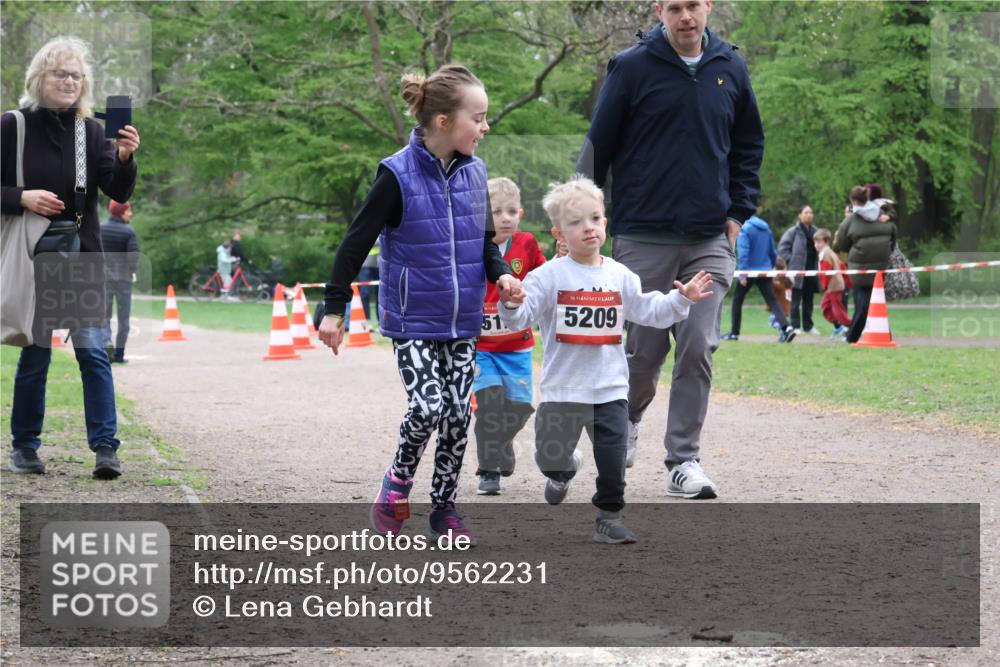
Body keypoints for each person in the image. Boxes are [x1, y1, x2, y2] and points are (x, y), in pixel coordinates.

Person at [317, 64, 520, 544]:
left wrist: (504, 275)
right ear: (445, 122)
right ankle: (397, 483)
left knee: (456, 415)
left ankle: (445, 511)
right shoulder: (396, 174)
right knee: (428, 406)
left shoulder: (476, 173)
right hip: (412, 319)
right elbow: (354, 243)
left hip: (463, 320)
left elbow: (485, 243)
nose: (486, 127)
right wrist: (334, 307)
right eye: (479, 117)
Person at [576, 0, 764, 497]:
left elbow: (748, 146)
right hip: (643, 235)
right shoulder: (631, 67)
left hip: (708, 238)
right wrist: (579, 220)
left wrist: (737, 212)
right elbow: (598, 146)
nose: (686, 17)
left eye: (694, 5)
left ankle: (684, 460)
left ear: (709, 8)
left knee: (699, 346)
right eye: (675, 7)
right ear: (659, 9)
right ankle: (629, 419)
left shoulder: (731, 66)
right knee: (643, 353)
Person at [500, 177, 715, 543]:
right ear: (559, 234)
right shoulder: (547, 277)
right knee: (548, 459)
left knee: (614, 464)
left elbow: (650, 310)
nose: (588, 228)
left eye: (595, 219)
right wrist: (512, 303)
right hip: (562, 391)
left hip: (610, 390)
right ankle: (563, 470)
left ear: (605, 224)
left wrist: (682, 300)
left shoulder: (619, 275)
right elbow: (519, 321)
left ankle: (609, 516)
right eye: (576, 222)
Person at [1, 36, 139, 477]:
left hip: (81, 253)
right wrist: (21, 196)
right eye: (61, 73)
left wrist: (124, 156)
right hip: (33, 253)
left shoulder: (91, 131)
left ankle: (105, 448)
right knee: (37, 351)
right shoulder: (11, 126)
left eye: (77, 75)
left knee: (93, 351)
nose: (69, 81)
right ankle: (25, 447)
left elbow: (116, 189)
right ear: (39, 77)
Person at [473, 177, 546, 495]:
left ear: (521, 214)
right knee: (489, 405)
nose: (504, 217)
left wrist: (562, 257)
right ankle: (489, 470)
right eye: (496, 212)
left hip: (516, 348)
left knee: (518, 408)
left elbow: (545, 279)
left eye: (511, 211)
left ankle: (501, 446)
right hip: (480, 348)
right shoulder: (472, 245)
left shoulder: (526, 244)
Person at [835, 186, 896, 343]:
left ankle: (852, 337)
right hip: (881, 266)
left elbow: (841, 244)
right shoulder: (883, 215)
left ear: (853, 201)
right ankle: (884, 334)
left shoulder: (851, 219)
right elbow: (893, 234)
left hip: (859, 267)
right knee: (874, 301)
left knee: (863, 305)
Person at [722, 212, 796, 343]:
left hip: (749, 271)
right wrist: (773, 266)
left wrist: (743, 273)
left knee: (737, 300)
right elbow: (772, 251)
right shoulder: (766, 228)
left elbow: (743, 251)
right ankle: (787, 327)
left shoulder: (745, 228)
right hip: (765, 271)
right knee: (772, 300)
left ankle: (734, 333)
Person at [101, 199, 140, 362]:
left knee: (105, 317)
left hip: (104, 279)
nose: (130, 213)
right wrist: (132, 272)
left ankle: (106, 346)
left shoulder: (100, 229)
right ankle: (119, 354)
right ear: (121, 212)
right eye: (128, 211)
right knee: (124, 318)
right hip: (123, 280)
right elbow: (133, 257)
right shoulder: (128, 231)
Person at [779, 205, 821, 335]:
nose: (809, 215)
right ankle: (795, 326)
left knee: (809, 300)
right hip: (796, 272)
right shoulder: (793, 232)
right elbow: (782, 249)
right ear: (800, 215)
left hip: (811, 271)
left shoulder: (816, 232)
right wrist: (792, 261)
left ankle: (808, 326)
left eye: (811, 212)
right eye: (806, 212)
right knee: (795, 301)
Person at [813, 228, 851, 339]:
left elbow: (826, 272)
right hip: (831, 287)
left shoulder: (826, 254)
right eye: (815, 242)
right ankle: (839, 327)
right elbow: (842, 265)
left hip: (834, 287)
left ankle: (852, 326)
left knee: (838, 311)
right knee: (825, 307)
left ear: (826, 242)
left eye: (819, 242)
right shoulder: (829, 253)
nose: (816, 245)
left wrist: (825, 286)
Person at [357, 238, 380, 322]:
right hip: (364, 266)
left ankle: (380, 322)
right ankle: (367, 321)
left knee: (380, 295)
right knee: (365, 293)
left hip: (379, 266)